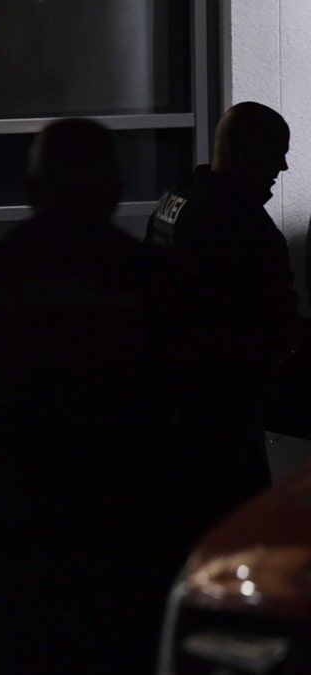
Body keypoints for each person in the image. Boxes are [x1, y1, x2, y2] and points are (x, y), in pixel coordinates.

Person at [0, 118, 201, 674]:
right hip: (127, 558)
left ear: (31, 189)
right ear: (115, 189)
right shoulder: (154, 284)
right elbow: (201, 421)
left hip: (14, 554)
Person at [145, 101, 297, 532]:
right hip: (219, 417)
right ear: (248, 154)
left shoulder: (176, 199)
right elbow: (268, 320)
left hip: (172, 410)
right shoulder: (243, 227)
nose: (283, 166)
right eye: (276, 153)